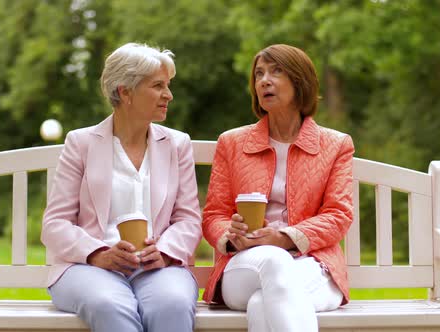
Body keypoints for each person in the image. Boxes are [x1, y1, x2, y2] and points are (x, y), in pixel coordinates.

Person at [41, 42, 202, 332]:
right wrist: (98, 253)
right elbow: (55, 224)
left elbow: (188, 219)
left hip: (158, 267)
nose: (169, 95)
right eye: (157, 86)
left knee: (173, 304)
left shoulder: (177, 144)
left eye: (167, 85)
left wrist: (164, 252)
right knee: (110, 304)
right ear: (125, 91)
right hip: (88, 267)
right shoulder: (81, 143)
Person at [202, 44, 355, 331]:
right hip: (245, 265)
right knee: (273, 262)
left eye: (276, 72)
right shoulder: (232, 143)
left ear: (300, 82)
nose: (264, 80)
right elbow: (214, 215)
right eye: (258, 74)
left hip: (314, 266)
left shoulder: (335, 145)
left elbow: (338, 214)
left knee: (263, 304)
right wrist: (232, 236)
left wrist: (284, 238)